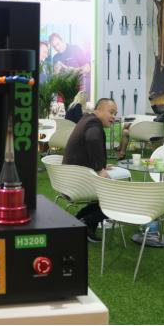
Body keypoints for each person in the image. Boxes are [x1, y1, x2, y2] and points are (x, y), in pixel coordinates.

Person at [63, 98, 129, 242]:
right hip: (77, 182)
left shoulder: (87, 120)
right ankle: (86, 222)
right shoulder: (94, 124)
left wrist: (101, 165)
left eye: (115, 113)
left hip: (70, 179)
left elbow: (85, 148)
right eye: (111, 112)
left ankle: (80, 222)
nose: (114, 117)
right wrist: (99, 169)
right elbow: (92, 139)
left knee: (104, 195)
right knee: (120, 196)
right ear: (98, 110)